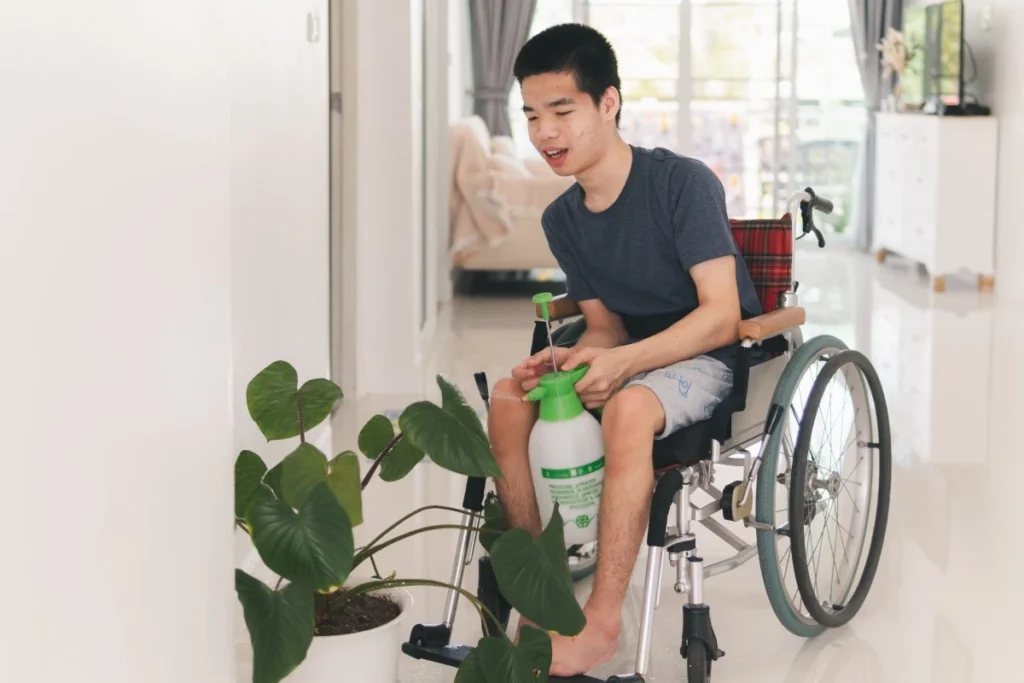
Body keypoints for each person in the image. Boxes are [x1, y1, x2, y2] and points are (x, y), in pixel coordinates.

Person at [486, 23, 763, 677]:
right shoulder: (562, 219)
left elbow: (721, 316)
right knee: (507, 398)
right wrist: (577, 357)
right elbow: (605, 326)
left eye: (562, 111)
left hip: (708, 354)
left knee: (630, 411)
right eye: (532, 115)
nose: (545, 133)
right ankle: (541, 593)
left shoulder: (682, 185)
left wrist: (624, 363)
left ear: (608, 103)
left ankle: (601, 621)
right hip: (633, 351)